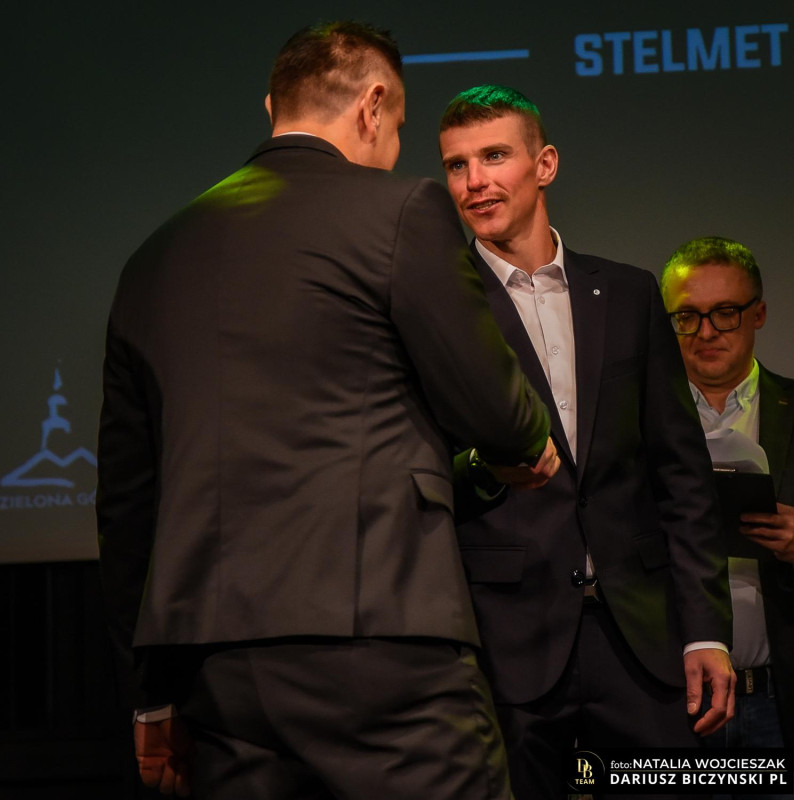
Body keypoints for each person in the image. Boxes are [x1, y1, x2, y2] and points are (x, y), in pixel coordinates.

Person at [96, 27, 559, 800]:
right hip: (381, 643)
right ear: (373, 106)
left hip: (215, 669)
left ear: (272, 107)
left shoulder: (153, 257)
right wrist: (521, 444)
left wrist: (151, 694)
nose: (395, 146)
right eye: (401, 125)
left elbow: (125, 507)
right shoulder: (400, 209)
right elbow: (500, 414)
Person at [438, 85, 735, 799]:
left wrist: (705, 630)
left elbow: (681, 474)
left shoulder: (628, 294)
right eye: (456, 165)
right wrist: (485, 467)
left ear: (544, 164)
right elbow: (416, 471)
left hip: (641, 639)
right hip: (508, 644)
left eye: (494, 156)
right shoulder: (440, 303)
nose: (475, 181)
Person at [661, 236, 794, 797]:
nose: (706, 332)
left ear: (758, 313)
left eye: (725, 312)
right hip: (673, 700)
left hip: (780, 703)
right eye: (687, 317)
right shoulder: (634, 424)